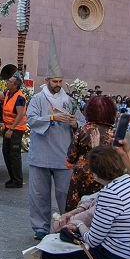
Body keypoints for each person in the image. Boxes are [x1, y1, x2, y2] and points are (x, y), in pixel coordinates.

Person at [27, 27, 86, 239]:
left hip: (63, 157)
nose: (58, 85)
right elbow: (31, 120)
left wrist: (73, 123)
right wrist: (52, 118)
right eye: (55, 82)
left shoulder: (69, 101)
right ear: (47, 81)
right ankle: (40, 228)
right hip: (41, 156)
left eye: (60, 81)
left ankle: (67, 224)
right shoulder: (37, 99)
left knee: (65, 194)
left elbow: (82, 122)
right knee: (39, 195)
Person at [64, 94, 118, 210]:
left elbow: (70, 158)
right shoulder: (114, 134)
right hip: (105, 177)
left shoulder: (83, 130)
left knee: (76, 210)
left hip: (81, 176)